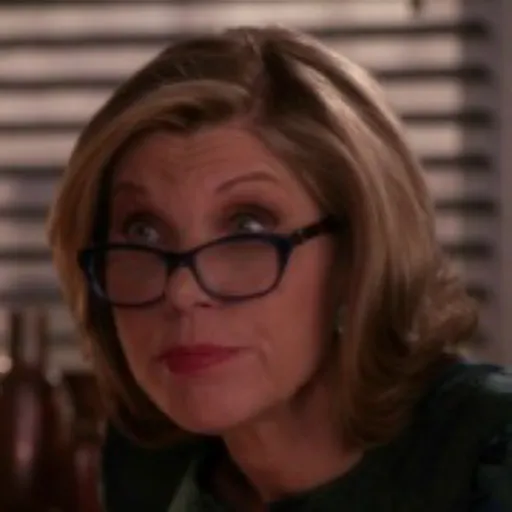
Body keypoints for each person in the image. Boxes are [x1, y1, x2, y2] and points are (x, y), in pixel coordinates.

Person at [47, 26, 512, 511]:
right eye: (143, 231)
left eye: (247, 227)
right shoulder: (151, 465)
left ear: (356, 255)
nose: (181, 291)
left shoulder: (492, 450)